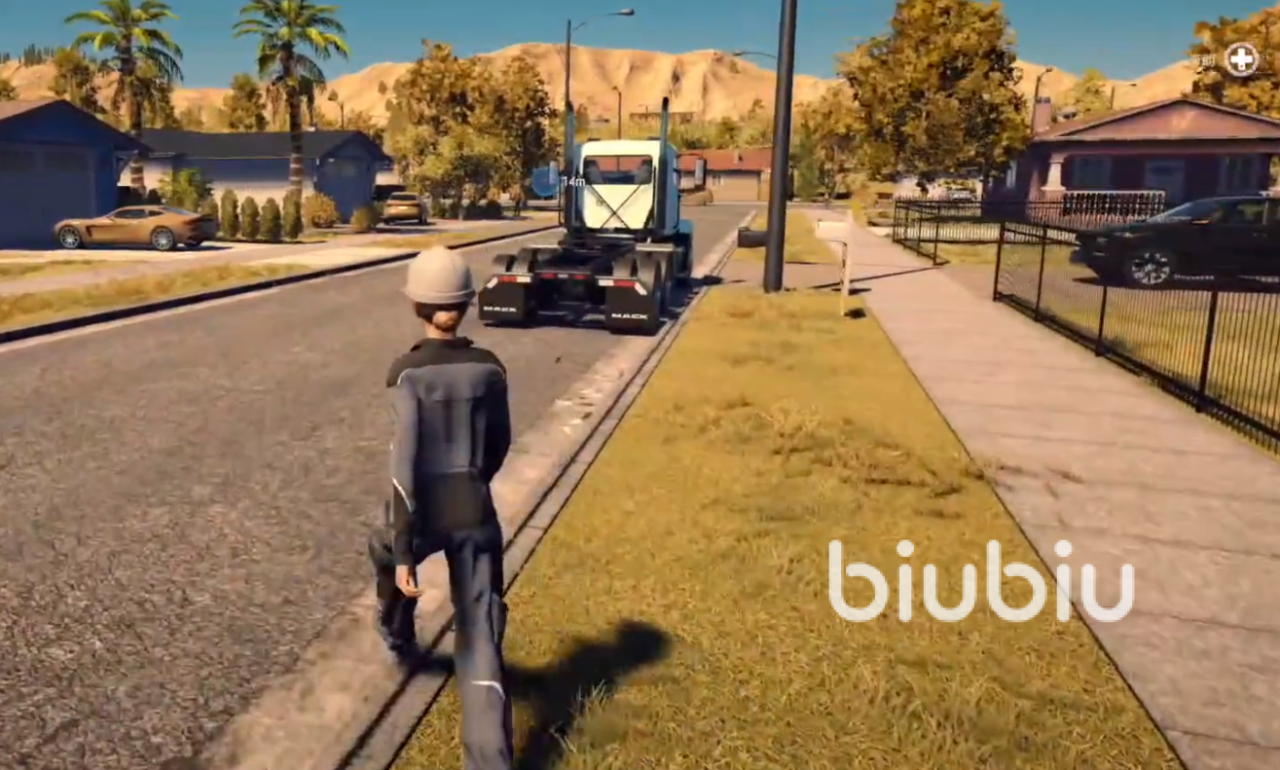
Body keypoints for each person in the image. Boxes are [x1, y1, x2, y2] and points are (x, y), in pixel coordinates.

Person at [367, 246, 515, 769]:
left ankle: (395, 627)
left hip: (422, 513)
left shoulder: (406, 373)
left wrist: (406, 551)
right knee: (482, 641)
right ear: (468, 303)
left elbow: (403, 467)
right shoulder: (490, 369)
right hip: (475, 512)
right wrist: (473, 484)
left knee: (383, 547)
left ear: (416, 304)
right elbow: (500, 443)